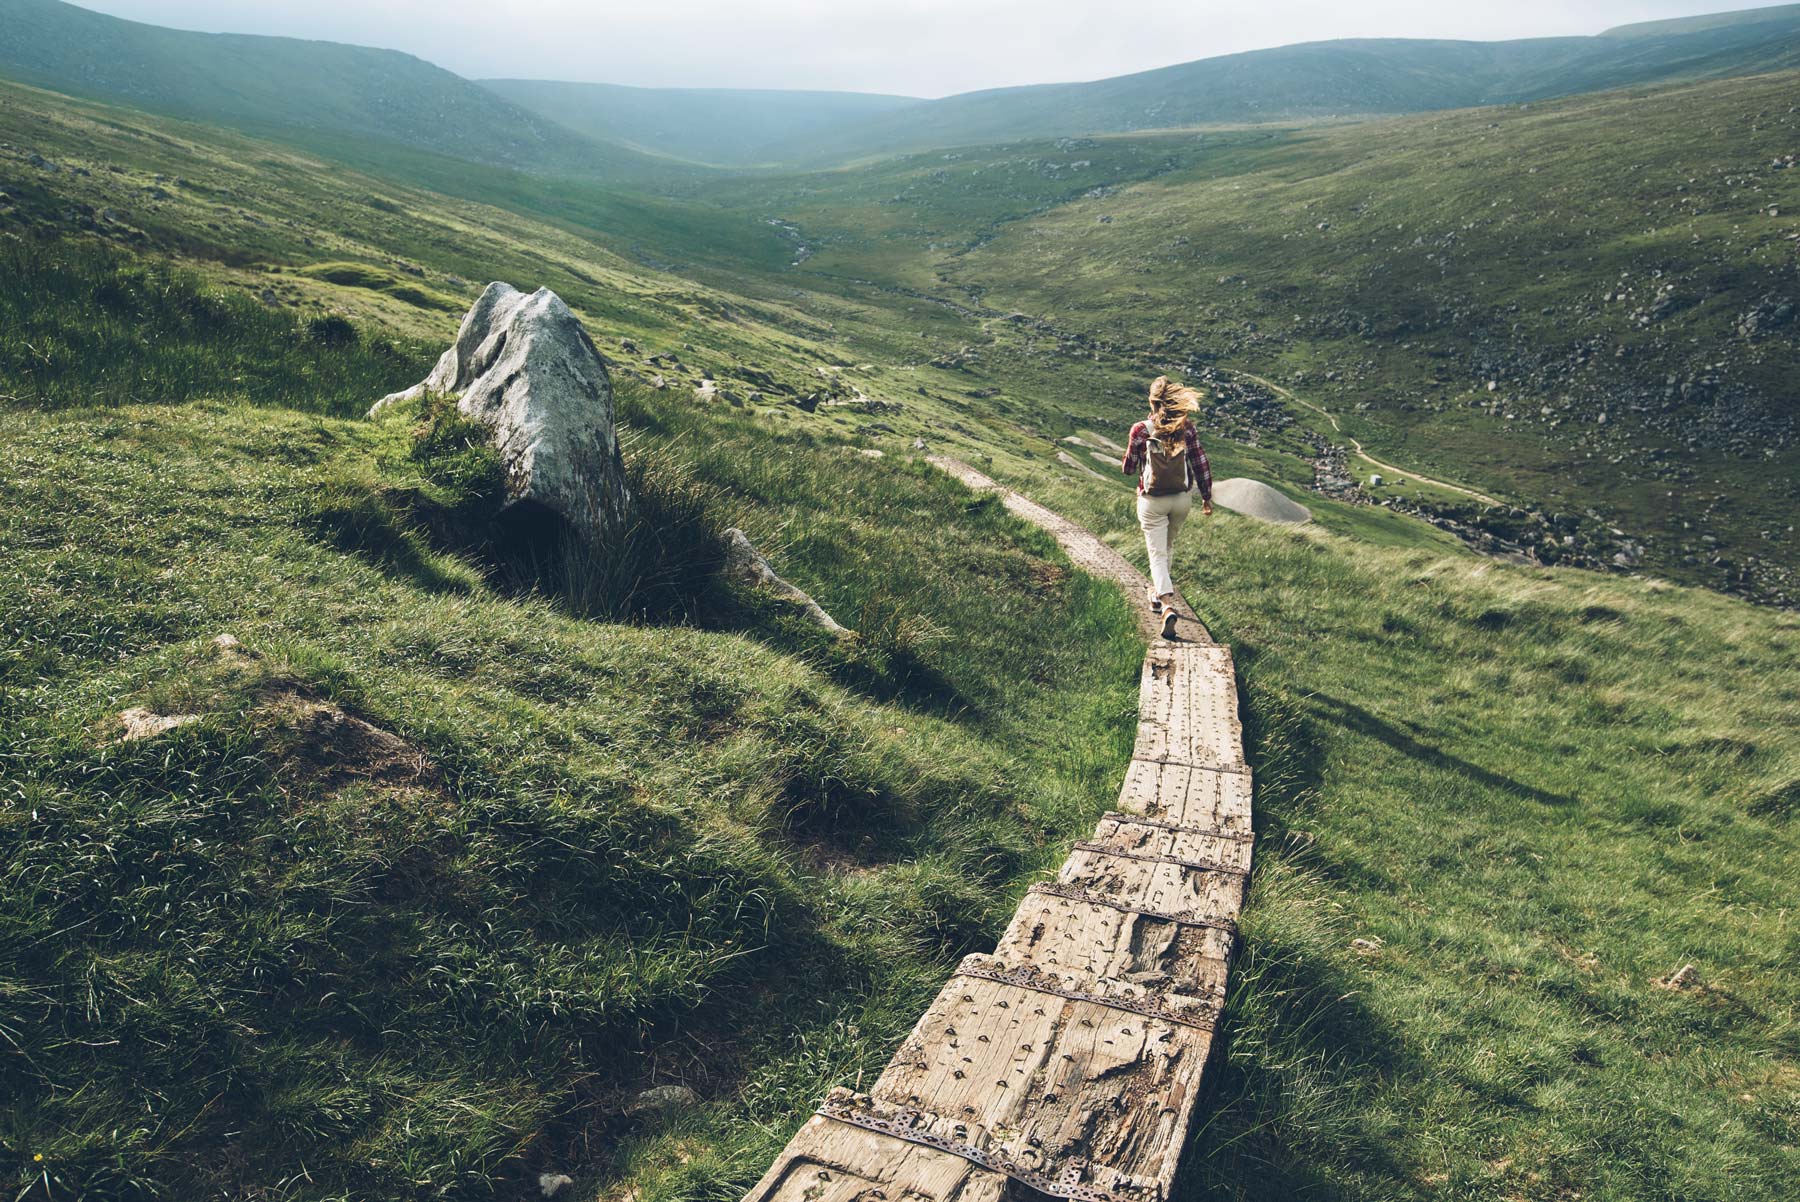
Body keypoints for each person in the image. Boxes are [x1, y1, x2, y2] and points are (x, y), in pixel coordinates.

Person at [1121, 376, 1213, 639]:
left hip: (1152, 500)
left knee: (1157, 554)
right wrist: (1206, 496)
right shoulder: (1187, 428)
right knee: (1166, 548)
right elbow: (1200, 462)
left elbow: (1129, 468)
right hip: (1181, 499)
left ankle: (1167, 605)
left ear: (1151, 401)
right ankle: (1155, 594)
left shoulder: (1140, 429)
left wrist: (1133, 457)